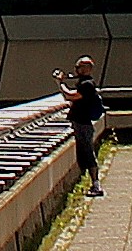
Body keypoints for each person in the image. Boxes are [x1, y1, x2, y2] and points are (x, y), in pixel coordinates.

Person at [56, 55, 106, 196]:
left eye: (78, 67)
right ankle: (93, 184)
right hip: (81, 122)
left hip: (83, 123)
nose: (76, 70)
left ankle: (96, 185)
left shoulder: (87, 85)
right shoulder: (85, 83)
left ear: (86, 69)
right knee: (84, 154)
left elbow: (71, 96)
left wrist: (60, 84)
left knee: (88, 153)